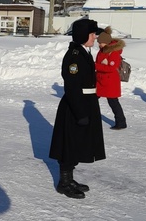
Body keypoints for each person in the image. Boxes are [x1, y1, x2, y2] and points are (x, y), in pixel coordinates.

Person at [49, 18, 106, 199]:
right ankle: (63, 182)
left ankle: (69, 178)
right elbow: (72, 86)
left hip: (86, 103)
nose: (95, 37)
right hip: (76, 106)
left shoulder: (84, 52)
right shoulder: (74, 55)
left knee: (78, 143)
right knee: (69, 144)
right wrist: (81, 112)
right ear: (83, 35)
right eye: (92, 34)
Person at [95, 26, 127, 130]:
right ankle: (89, 118)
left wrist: (95, 66)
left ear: (107, 42)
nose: (99, 45)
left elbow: (111, 68)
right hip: (101, 80)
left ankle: (121, 122)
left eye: (101, 42)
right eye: (98, 42)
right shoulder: (102, 50)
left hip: (110, 82)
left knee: (113, 102)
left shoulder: (113, 52)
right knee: (92, 99)